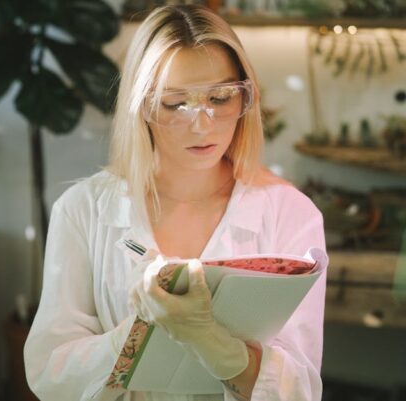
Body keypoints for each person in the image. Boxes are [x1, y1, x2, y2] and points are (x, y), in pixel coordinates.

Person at [23, 4, 327, 401]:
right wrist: (137, 332)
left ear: (246, 98)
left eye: (220, 98)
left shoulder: (290, 214)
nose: (203, 124)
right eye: (175, 103)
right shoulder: (82, 210)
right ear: (143, 105)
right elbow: (50, 374)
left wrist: (213, 343)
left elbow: (300, 390)